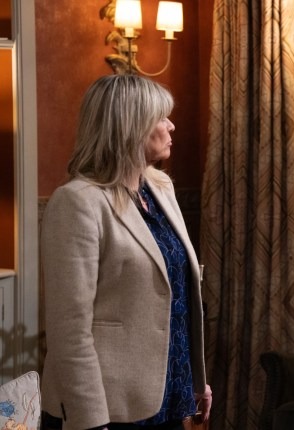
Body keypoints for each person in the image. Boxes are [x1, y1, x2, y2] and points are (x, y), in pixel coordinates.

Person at [40, 74, 212, 430]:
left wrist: (195, 380)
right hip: (106, 407)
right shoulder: (77, 202)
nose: (171, 126)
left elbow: (176, 296)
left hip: (169, 393)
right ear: (132, 126)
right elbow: (69, 330)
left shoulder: (160, 188)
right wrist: (90, 420)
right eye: (161, 118)